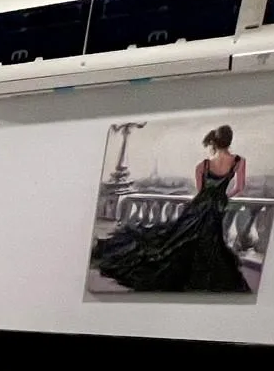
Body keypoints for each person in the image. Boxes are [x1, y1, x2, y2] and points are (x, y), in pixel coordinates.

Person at [92, 124, 251, 292]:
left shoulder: (202, 165)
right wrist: (224, 197)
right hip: (216, 207)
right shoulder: (238, 161)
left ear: (214, 141)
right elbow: (239, 187)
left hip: (199, 206)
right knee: (209, 241)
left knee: (179, 240)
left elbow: (200, 189)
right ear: (229, 141)